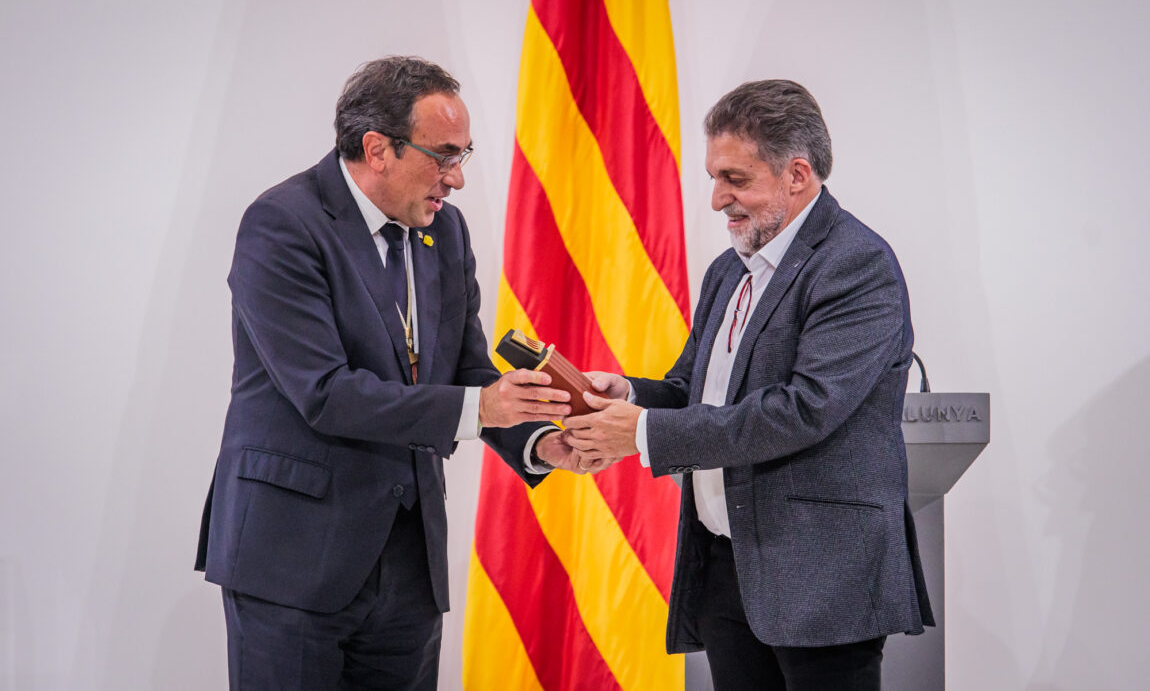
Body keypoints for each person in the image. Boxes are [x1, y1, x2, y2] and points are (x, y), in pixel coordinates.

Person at [194, 56, 588, 690]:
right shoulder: (282, 224)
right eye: (444, 156)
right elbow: (324, 393)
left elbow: (464, 368)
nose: (457, 179)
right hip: (293, 559)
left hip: (408, 564)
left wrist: (540, 441)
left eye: (465, 155)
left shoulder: (446, 233)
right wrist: (481, 410)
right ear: (377, 149)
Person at [565, 79, 934, 690]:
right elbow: (695, 389)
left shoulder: (856, 263)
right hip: (726, 566)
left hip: (823, 576)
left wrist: (646, 434)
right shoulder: (726, 270)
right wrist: (629, 396)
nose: (716, 199)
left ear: (796, 174)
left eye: (735, 178)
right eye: (714, 177)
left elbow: (803, 410)